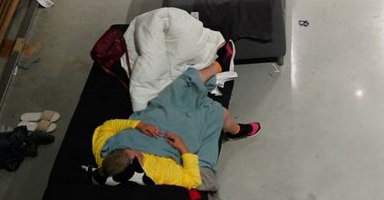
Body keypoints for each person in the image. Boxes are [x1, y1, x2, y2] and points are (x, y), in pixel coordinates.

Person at [93, 61, 260, 188]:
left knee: (181, 85)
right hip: (182, 134)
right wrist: (183, 149)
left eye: (129, 149)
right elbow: (192, 180)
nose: (136, 151)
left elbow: (108, 126)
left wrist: (138, 125)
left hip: (160, 114)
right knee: (218, 113)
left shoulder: (103, 150)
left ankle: (218, 65)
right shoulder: (154, 172)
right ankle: (235, 130)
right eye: (135, 156)